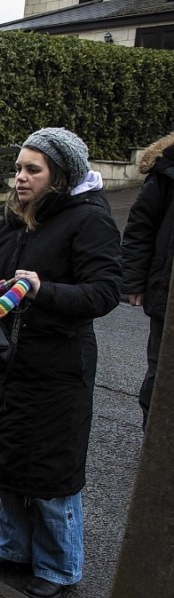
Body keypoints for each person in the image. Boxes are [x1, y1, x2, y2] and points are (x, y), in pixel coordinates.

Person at [0, 127, 121, 598]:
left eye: (33, 170)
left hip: (56, 365)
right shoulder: (13, 217)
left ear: (60, 176)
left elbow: (104, 292)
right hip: (8, 356)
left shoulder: (89, 220)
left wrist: (41, 288)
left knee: (51, 473)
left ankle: (58, 565)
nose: (20, 178)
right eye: (18, 169)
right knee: (7, 456)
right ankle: (12, 549)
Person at [120, 130, 174, 425]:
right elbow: (141, 226)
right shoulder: (167, 168)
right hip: (167, 291)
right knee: (160, 374)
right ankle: (154, 450)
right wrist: (134, 280)